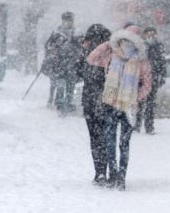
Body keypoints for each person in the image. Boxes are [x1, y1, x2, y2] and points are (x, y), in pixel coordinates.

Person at [87, 24, 152, 190]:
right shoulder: (117, 55)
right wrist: (108, 44)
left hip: (119, 106)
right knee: (119, 143)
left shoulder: (129, 57)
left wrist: (133, 97)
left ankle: (117, 176)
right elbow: (92, 58)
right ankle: (118, 176)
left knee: (115, 142)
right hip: (119, 106)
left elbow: (147, 85)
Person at [76, 24, 111, 185]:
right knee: (107, 137)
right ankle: (112, 170)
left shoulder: (88, 55)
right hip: (108, 100)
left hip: (90, 100)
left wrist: (83, 50)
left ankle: (99, 172)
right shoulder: (112, 52)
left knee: (95, 138)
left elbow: (77, 72)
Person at [45, 11, 79, 116]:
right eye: (68, 20)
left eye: (71, 20)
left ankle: (68, 104)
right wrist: (53, 49)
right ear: (63, 20)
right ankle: (60, 105)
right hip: (59, 64)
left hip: (72, 64)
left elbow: (82, 47)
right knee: (60, 85)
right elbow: (47, 45)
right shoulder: (56, 33)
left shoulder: (77, 33)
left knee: (70, 86)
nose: (69, 22)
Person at [134, 26, 166, 134]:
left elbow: (162, 62)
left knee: (151, 104)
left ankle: (149, 126)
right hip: (142, 79)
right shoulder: (140, 46)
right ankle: (137, 125)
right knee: (140, 102)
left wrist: (162, 76)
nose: (150, 36)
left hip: (153, 78)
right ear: (144, 34)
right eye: (148, 34)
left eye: (153, 34)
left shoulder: (158, 46)